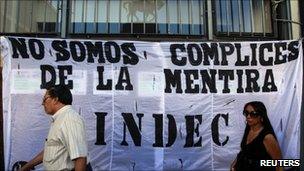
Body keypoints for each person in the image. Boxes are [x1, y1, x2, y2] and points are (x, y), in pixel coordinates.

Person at [19, 85, 88, 171]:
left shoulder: (69, 119)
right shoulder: (60, 118)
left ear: (55, 99)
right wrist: (26, 167)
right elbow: (51, 150)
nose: (42, 103)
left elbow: (80, 158)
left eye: (45, 99)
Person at [230, 101, 282, 171]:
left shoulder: (267, 137)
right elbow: (244, 150)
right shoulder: (248, 129)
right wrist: (234, 164)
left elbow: (278, 164)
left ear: (261, 116)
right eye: (246, 113)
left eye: (253, 114)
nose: (248, 116)